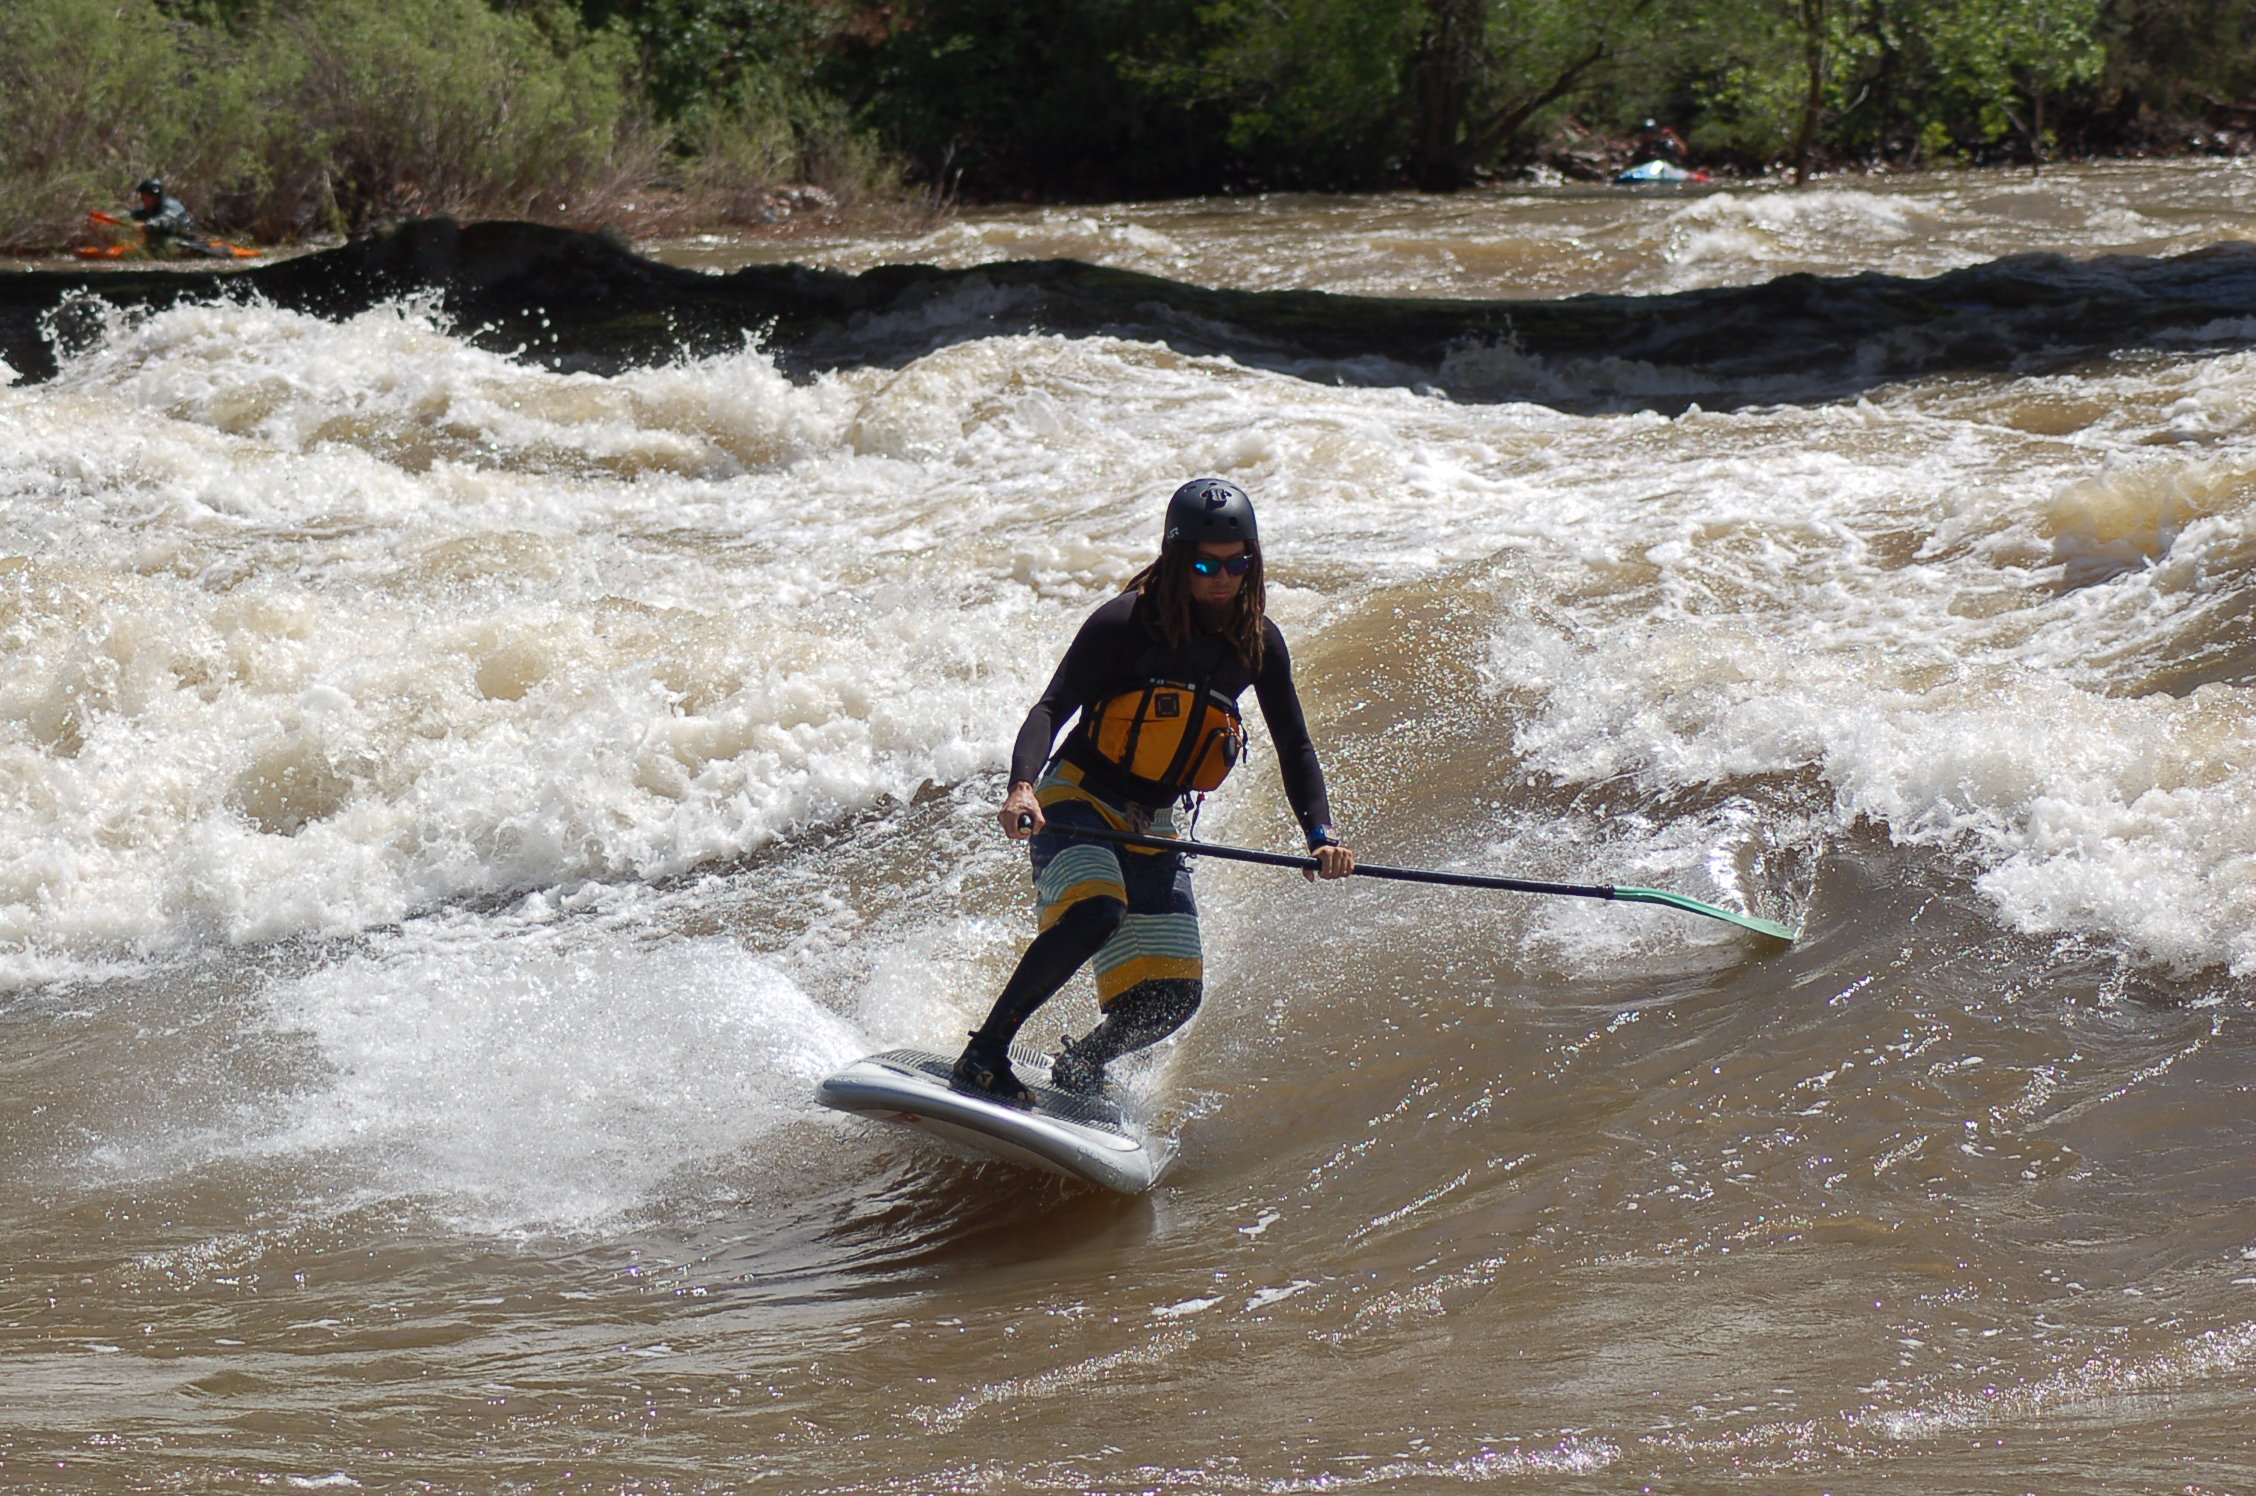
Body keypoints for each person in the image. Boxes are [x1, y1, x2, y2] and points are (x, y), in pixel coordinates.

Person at [954, 478, 1356, 1104]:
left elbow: (1296, 747)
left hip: (1152, 824)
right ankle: (983, 1054)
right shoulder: (1125, 623)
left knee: (1174, 997)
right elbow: (1051, 706)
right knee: (1096, 912)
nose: (1223, 578)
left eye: (1237, 562)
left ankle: (1084, 1062)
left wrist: (1322, 834)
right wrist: (1021, 789)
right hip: (1078, 798)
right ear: (1176, 559)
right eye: (1205, 563)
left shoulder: (1257, 644)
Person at [128, 178, 223, 258]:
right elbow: (129, 215)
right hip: (165, 243)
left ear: (154, 196)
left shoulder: (171, 206)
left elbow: (167, 220)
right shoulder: (148, 210)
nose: (141, 198)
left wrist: (146, 225)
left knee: (166, 245)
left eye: (144, 195)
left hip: (188, 243)